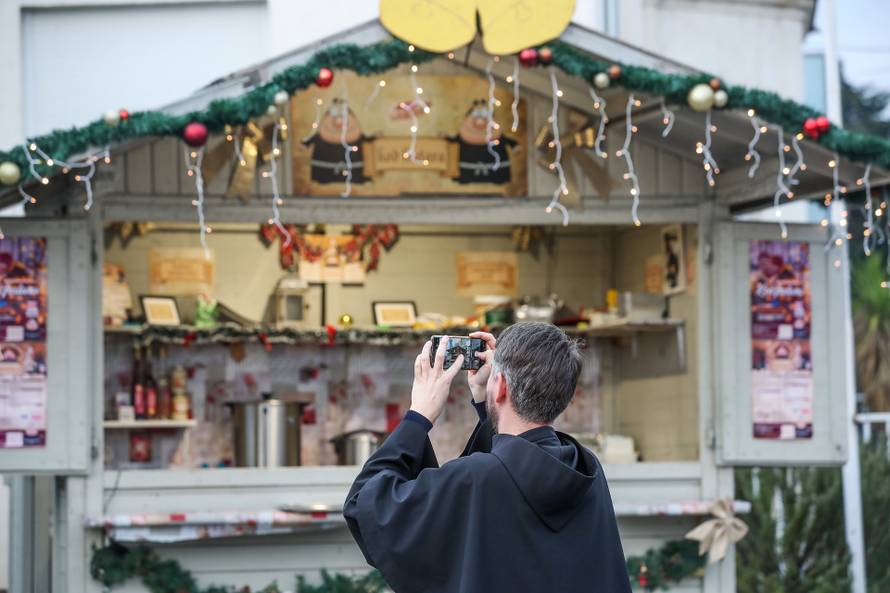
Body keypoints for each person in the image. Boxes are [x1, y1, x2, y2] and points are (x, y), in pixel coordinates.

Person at [344, 321, 631, 593]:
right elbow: (514, 467)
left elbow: (363, 506)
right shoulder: (586, 468)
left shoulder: (477, 478)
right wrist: (486, 398)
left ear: (502, 387)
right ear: (567, 396)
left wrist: (419, 415)